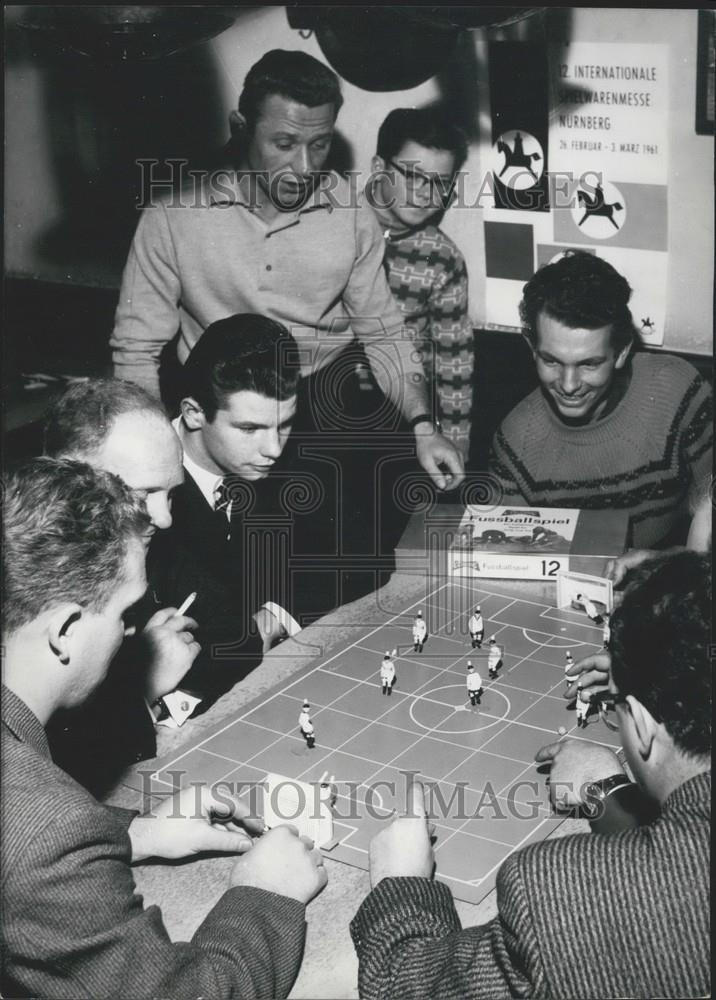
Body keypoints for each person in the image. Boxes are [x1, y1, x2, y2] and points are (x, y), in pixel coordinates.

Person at [1, 457, 327, 999]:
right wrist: (265, 893)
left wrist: (134, 832)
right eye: (126, 613)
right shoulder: (46, 829)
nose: (133, 630)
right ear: (64, 630)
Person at [350, 551, 710, 998]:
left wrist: (398, 884)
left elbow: (404, 985)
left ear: (640, 725)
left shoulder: (553, 895)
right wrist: (609, 789)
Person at [110, 48, 463, 494]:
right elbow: (137, 351)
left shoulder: (352, 213)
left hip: (321, 402)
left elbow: (384, 333)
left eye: (320, 145)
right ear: (241, 129)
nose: (304, 167)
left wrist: (422, 425)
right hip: (214, 405)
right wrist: (155, 450)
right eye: (284, 144)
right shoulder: (172, 216)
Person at [43, 377, 268, 792]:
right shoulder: (31, 581)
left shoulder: (156, 540)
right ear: (71, 480)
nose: (163, 517)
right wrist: (141, 685)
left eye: (170, 494)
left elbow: (239, 635)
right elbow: (45, 765)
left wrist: (159, 696)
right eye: (144, 493)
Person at [489, 251, 712, 549]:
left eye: (589, 364)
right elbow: (511, 557)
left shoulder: (678, 390)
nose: (568, 385)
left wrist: (663, 564)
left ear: (620, 353)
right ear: (532, 347)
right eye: (551, 361)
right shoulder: (516, 441)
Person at [167, 312, 338, 632]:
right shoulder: (141, 492)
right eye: (249, 428)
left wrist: (273, 619)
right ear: (193, 414)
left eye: (284, 424)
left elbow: (336, 561)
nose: (273, 449)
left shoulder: (288, 463)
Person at [367, 106, 474, 458]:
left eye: (440, 183)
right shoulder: (332, 223)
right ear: (378, 167)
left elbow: (453, 361)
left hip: (404, 420)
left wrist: (456, 447)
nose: (425, 194)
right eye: (413, 176)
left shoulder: (442, 259)